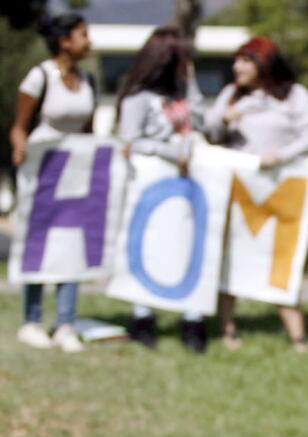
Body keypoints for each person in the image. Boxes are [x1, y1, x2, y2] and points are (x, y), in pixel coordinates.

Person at [205, 36, 308, 353]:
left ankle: (297, 335)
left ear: (263, 63)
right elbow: (212, 134)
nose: (236, 67)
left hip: (279, 189)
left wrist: (281, 155)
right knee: (231, 256)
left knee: (282, 257)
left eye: (245, 60)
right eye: (236, 60)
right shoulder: (231, 95)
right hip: (240, 189)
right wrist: (223, 120)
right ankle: (227, 329)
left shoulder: (295, 96)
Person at [115, 26, 207, 352]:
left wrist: (191, 81)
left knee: (188, 246)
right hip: (152, 186)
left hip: (185, 184)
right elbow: (130, 141)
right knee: (150, 246)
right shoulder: (138, 99)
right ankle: (144, 318)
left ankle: (193, 320)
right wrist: (171, 152)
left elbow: (202, 122)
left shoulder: (182, 93)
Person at [9, 13, 95, 355]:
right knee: (39, 242)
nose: (89, 42)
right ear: (65, 41)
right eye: (83, 35)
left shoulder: (88, 79)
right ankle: (31, 320)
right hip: (44, 171)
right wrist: (19, 147)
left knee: (72, 245)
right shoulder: (40, 77)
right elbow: (20, 125)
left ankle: (66, 321)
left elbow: (88, 131)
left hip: (76, 172)